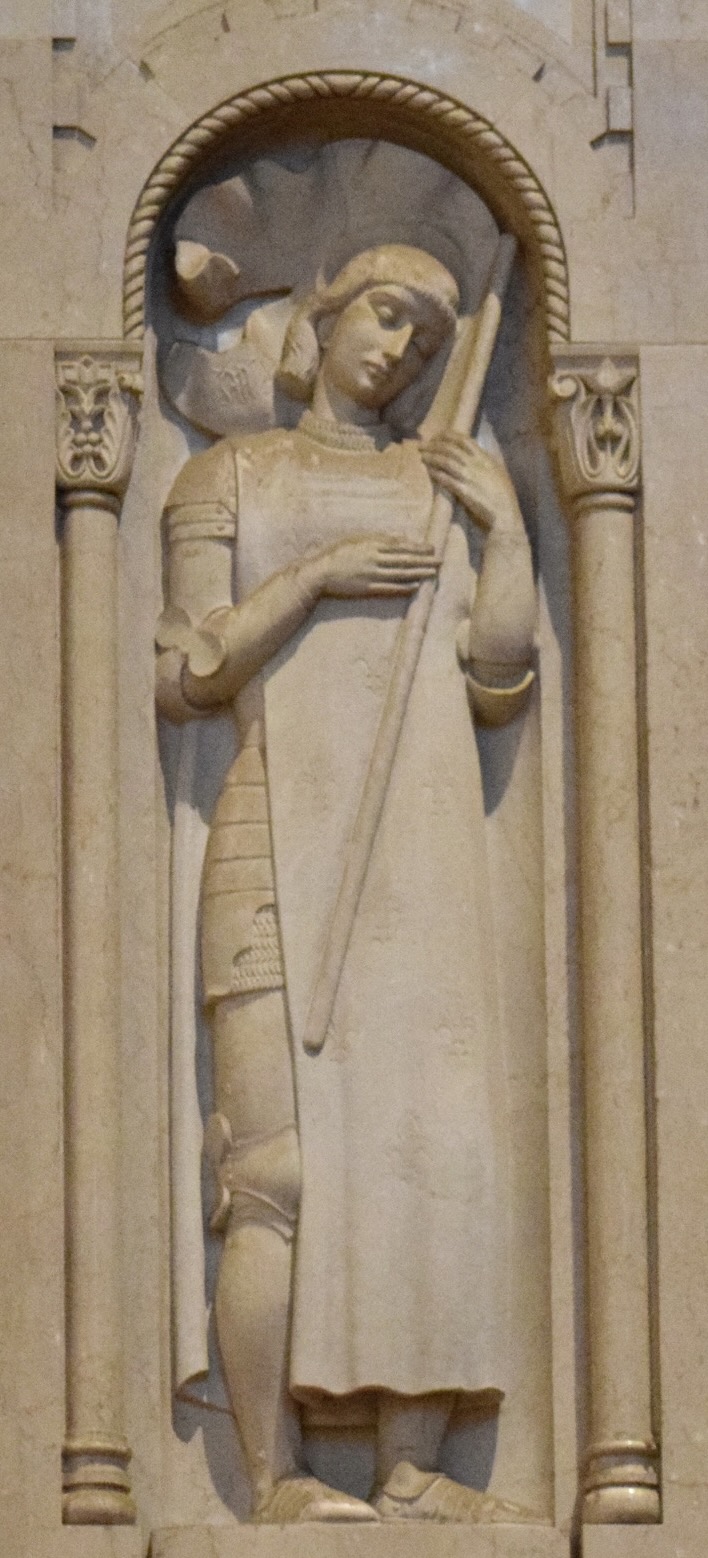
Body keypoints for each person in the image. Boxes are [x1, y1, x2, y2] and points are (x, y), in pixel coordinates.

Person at [156, 245, 536, 1522]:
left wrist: (504, 525)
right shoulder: (229, 475)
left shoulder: (435, 481)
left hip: (414, 871)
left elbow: (498, 674)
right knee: (271, 1170)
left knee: (424, 1150)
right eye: (383, 317)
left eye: (425, 341)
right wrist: (316, 577)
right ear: (322, 318)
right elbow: (188, 667)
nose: (399, 351)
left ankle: (410, 1460)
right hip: (271, 842)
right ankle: (270, 1481)